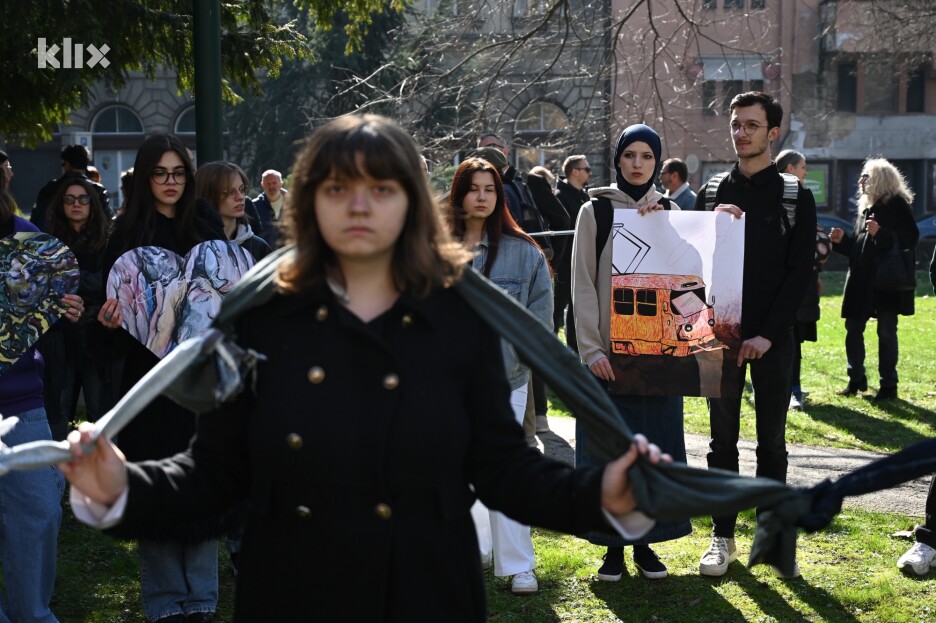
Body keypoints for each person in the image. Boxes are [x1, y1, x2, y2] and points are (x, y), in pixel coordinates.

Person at [61, 114, 670, 622]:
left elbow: (504, 468)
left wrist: (601, 494)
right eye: (336, 188)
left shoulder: (456, 319)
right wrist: (121, 489)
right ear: (309, 203)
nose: (358, 205)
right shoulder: (262, 319)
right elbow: (217, 472)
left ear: (410, 203)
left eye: (380, 188)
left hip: (425, 595)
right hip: (292, 596)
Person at [95, 134, 225, 623]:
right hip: (148, 383)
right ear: (145, 177)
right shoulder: (124, 233)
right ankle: (167, 603)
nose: (171, 183)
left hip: (201, 377)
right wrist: (108, 322)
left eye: (179, 174)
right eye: (161, 173)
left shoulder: (206, 224)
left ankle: (202, 599)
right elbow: (111, 327)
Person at [695, 91, 816, 578]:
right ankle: (721, 537)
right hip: (717, 339)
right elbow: (690, 267)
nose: (740, 131)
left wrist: (766, 335)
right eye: (735, 123)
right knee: (721, 442)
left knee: (772, 442)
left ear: (772, 133)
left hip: (773, 339)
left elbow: (799, 275)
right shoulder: (709, 194)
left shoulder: (794, 195)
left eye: (751, 124)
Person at [572, 123, 692, 581]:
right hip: (608, 355)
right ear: (618, 160)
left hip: (658, 356)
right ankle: (612, 550)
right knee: (609, 453)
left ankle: (644, 545)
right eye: (629, 155)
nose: (637, 163)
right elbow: (582, 283)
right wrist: (590, 348)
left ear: (657, 163)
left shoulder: (671, 211)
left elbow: (692, 271)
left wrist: (699, 221)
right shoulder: (595, 212)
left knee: (655, 450)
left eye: (646, 156)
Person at [448, 156, 553, 594]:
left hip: (506, 379)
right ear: (459, 194)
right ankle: (474, 550)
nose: (482, 196)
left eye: (489, 189)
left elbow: (541, 323)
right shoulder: (434, 251)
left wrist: (515, 361)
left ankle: (518, 564)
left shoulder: (523, 252)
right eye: (473, 188)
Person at [0, 165, 84, 623]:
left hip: (20, 403)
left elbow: (55, 301)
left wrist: (67, 307)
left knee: (38, 514)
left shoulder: (31, 243)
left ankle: (31, 615)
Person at [829, 158, 919, 402]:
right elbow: (859, 248)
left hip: (886, 281)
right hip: (861, 280)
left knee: (887, 332)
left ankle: (888, 385)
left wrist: (882, 233)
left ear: (880, 179)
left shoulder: (897, 205)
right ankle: (856, 379)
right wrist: (842, 242)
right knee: (853, 329)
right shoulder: (866, 208)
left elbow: (910, 239)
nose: (860, 181)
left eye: (865, 177)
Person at [42, 176, 118, 436]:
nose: (76, 204)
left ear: (92, 203)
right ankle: (56, 475)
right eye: (70, 199)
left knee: (100, 407)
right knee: (59, 406)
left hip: (95, 329)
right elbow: (44, 285)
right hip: (59, 331)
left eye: (83, 198)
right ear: (61, 204)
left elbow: (108, 281)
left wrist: (69, 279)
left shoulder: (107, 238)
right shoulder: (49, 240)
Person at [776, 149, 821, 411]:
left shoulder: (804, 197)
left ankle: (793, 389)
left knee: (795, 341)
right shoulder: (778, 195)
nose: (806, 171)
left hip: (800, 283)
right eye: (803, 166)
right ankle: (786, 389)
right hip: (779, 283)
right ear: (791, 169)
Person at [195, 162, 271, 262]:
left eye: (242, 189)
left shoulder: (259, 248)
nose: (240, 197)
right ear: (208, 194)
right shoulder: (191, 246)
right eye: (230, 191)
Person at [555, 154, 592, 353]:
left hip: (583, 261)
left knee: (577, 309)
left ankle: (574, 352)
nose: (590, 173)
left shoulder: (584, 197)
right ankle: (551, 353)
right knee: (558, 308)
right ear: (575, 171)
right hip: (564, 263)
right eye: (586, 169)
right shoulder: (560, 197)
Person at [32, 144, 111, 229]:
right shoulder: (98, 190)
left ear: (66, 164)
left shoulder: (50, 189)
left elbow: (38, 222)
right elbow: (108, 222)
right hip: (93, 240)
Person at [250, 169, 287, 249]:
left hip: (290, 255)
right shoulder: (254, 206)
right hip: (265, 256)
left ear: (281, 183)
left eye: (274, 183)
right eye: (268, 184)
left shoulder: (293, 203)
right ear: (262, 185)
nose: (271, 187)